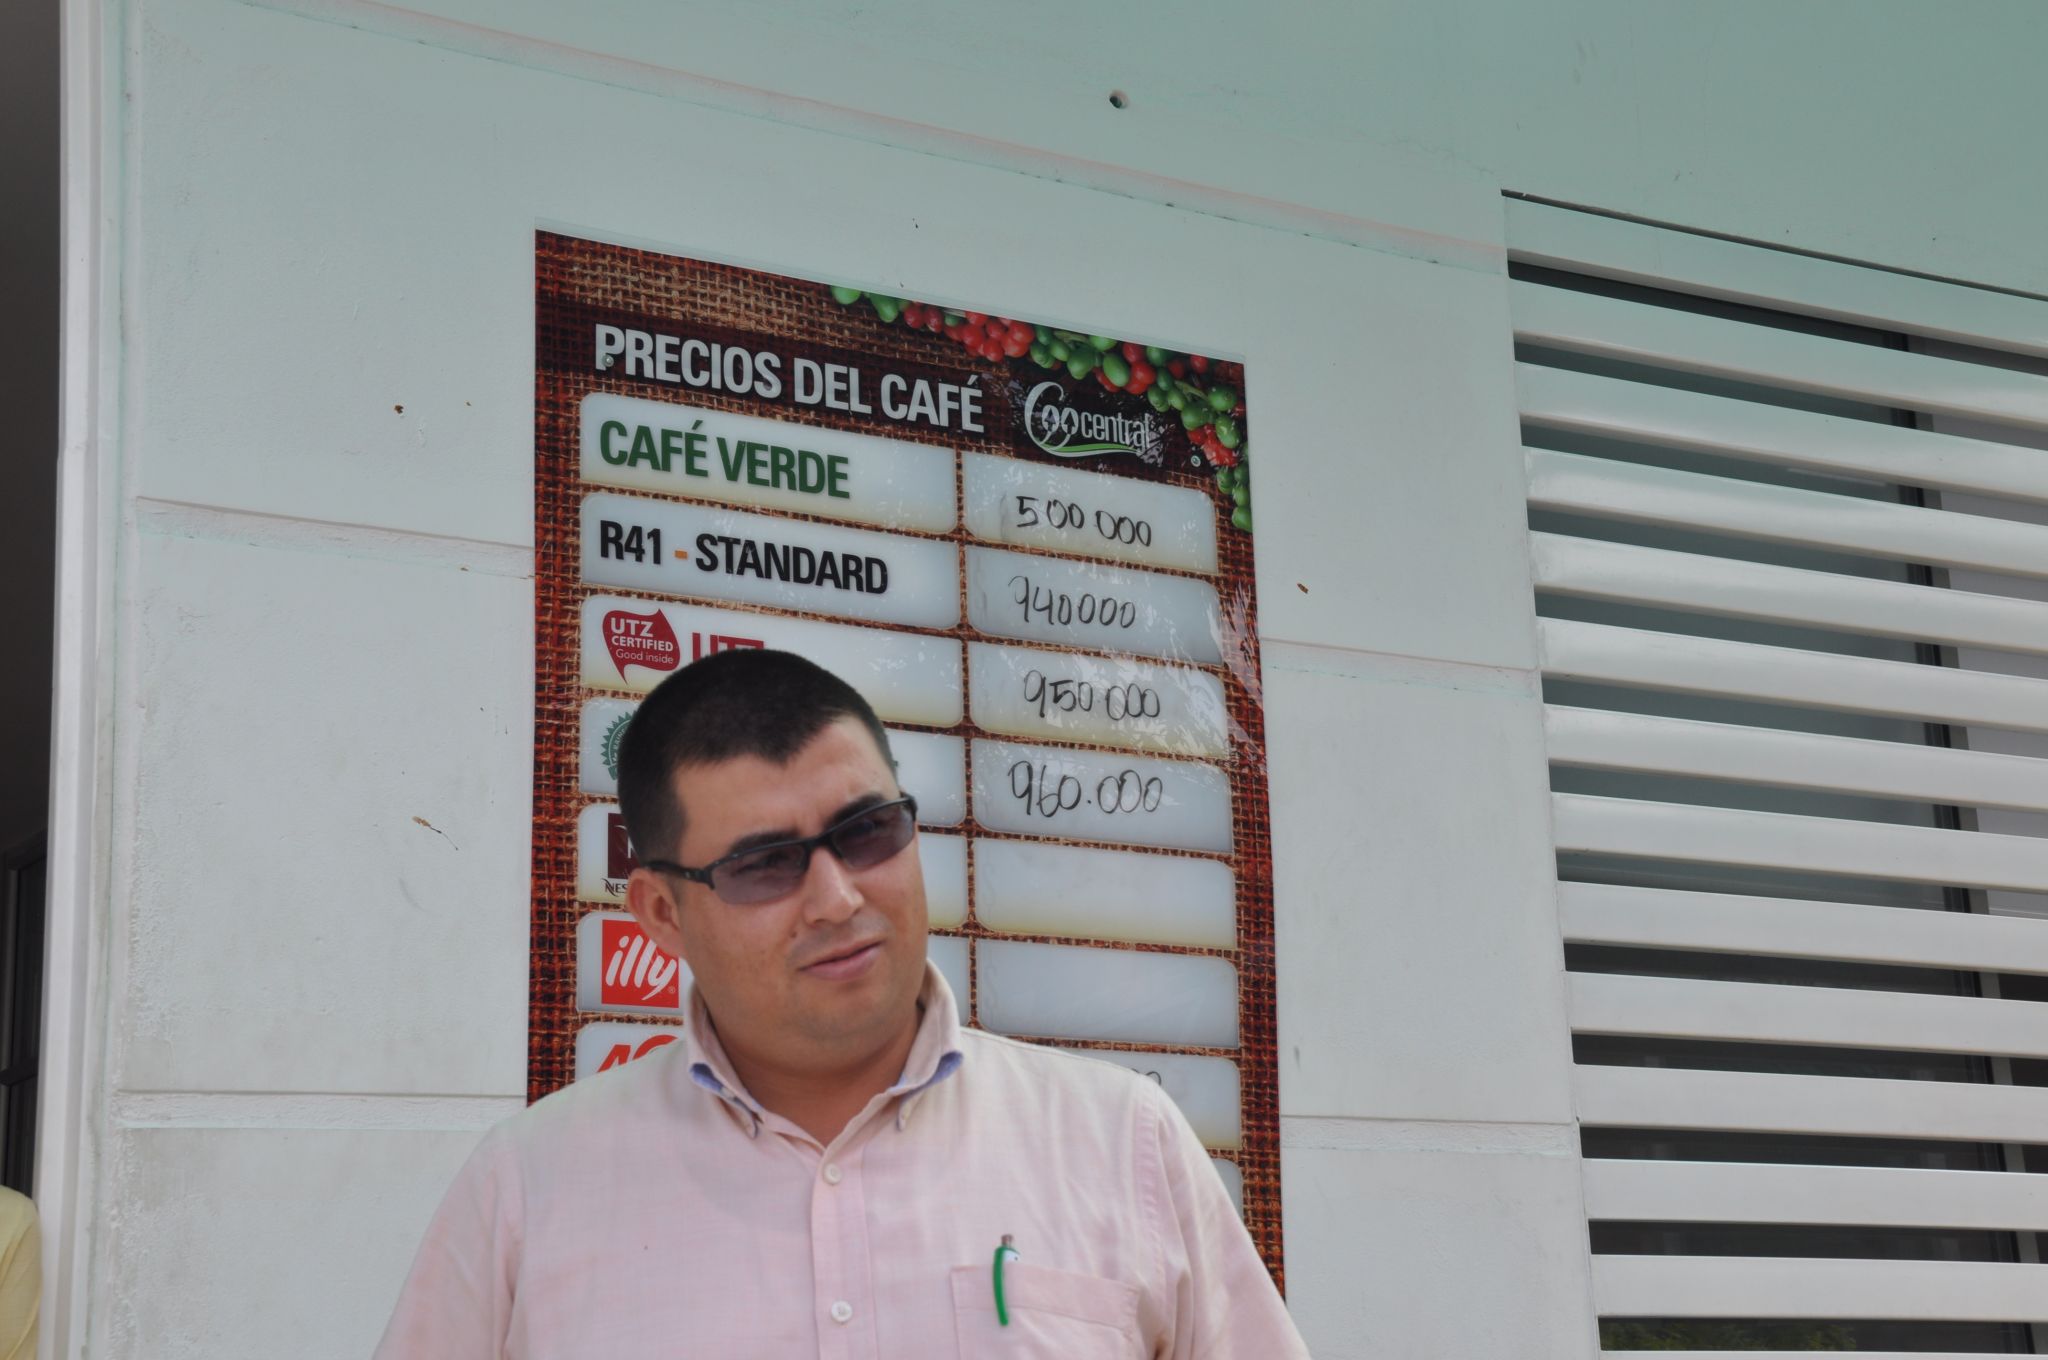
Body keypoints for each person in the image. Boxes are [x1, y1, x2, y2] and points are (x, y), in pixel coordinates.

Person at [375, 648, 1308, 1358]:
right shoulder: (527, 1191)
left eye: (866, 831)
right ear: (662, 914)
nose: (836, 897)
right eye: (764, 864)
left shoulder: (1121, 1143)